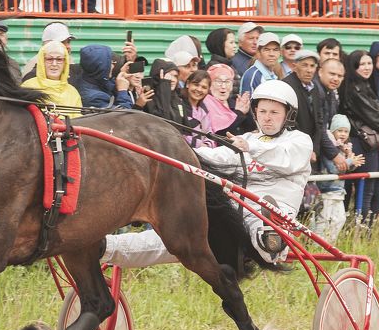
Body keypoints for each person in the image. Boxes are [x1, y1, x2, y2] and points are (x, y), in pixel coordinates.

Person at [103, 80, 312, 267]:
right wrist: (179, 154)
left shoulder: (298, 140)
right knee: (182, 233)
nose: (267, 118)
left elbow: (286, 158)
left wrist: (249, 148)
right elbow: (217, 156)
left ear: (288, 115)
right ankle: (107, 247)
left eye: (274, 113)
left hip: (274, 209)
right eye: (263, 111)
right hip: (234, 214)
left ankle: (273, 240)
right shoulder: (248, 138)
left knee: (258, 232)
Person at [341, 50, 379, 223]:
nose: (367, 67)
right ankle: (362, 226)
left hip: (375, 143)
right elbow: (371, 115)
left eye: (369, 63)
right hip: (363, 143)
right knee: (367, 189)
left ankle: (368, 225)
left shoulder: (366, 84)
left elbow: (378, 112)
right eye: (362, 64)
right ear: (354, 66)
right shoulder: (352, 88)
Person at [311, 115, 364, 242]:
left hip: (338, 190)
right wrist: (350, 161)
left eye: (346, 131)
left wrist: (352, 163)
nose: (343, 134)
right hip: (327, 189)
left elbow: (345, 169)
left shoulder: (343, 148)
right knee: (323, 219)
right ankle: (316, 246)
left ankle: (330, 245)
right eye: (340, 130)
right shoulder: (330, 150)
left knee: (340, 219)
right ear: (333, 131)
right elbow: (334, 169)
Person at [23, 41, 83, 115]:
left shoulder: (73, 92)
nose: (54, 64)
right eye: (49, 59)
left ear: (65, 63)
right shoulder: (28, 87)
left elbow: (78, 122)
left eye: (59, 60)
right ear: (42, 62)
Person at [204, 63, 250, 135]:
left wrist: (247, 110)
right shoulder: (205, 104)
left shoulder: (235, 103)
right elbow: (220, 133)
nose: (223, 86)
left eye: (227, 81)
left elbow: (250, 128)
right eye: (218, 81)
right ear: (209, 84)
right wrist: (239, 113)